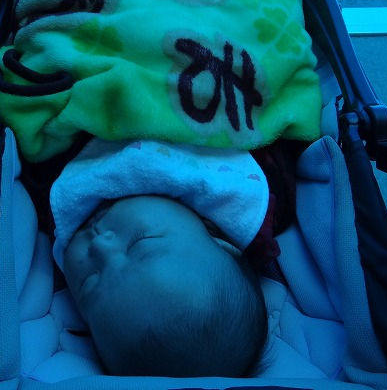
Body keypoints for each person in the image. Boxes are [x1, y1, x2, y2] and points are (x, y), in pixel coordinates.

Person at [44, 137, 299, 377]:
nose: (100, 246)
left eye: (88, 281)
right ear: (220, 241)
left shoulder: (53, 199)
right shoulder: (259, 196)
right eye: (141, 241)